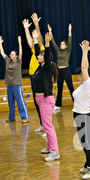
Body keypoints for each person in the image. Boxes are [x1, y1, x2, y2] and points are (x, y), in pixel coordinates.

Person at [32, 27, 60, 162]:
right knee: (46, 123)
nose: (38, 56)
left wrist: (47, 44)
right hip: (40, 99)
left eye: (40, 55)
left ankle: (55, 151)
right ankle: (50, 147)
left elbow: (47, 56)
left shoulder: (47, 67)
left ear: (46, 58)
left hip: (45, 99)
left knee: (48, 126)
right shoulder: (40, 68)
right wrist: (37, 40)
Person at [73, 40, 90, 180]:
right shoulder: (82, 86)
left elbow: (84, 67)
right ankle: (88, 164)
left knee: (87, 143)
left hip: (84, 117)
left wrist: (85, 52)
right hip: (78, 116)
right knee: (83, 142)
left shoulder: (88, 85)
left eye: (81, 74)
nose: (78, 76)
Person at [0, 35, 29, 124]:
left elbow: (21, 53)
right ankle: (11, 117)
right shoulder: (8, 60)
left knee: (20, 102)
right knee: (11, 103)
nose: (10, 55)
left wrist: (19, 42)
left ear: (16, 56)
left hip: (16, 85)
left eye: (12, 54)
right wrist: (0, 43)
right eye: (10, 54)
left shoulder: (19, 62)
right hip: (9, 85)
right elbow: (2, 53)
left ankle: (25, 117)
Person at [23, 13, 44, 132]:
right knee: (37, 102)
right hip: (32, 77)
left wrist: (36, 24)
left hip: (38, 76)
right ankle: (42, 123)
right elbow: (28, 41)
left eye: (34, 37)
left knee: (42, 102)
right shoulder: (33, 49)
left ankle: (46, 126)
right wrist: (26, 29)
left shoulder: (41, 49)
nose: (33, 38)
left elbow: (39, 39)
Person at [50, 23, 74, 110]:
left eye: (63, 44)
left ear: (66, 46)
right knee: (59, 89)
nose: (61, 45)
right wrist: (50, 32)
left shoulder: (68, 50)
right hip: (59, 71)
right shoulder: (58, 50)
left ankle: (77, 104)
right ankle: (58, 105)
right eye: (61, 44)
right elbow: (53, 43)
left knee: (71, 87)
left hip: (66, 70)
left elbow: (70, 40)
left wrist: (70, 31)